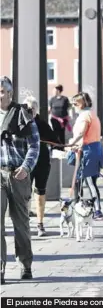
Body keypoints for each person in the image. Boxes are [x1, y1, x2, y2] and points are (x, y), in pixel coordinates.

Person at [0, 76, 40, 284]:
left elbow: (35, 145)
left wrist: (26, 167)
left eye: (1, 92)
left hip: (18, 174)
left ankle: (25, 264)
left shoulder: (22, 114)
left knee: (20, 223)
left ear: (9, 93)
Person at [24, 97, 60, 236]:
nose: (30, 111)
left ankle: (40, 224)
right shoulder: (21, 124)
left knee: (40, 193)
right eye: (27, 108)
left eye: (32, 108)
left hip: (42, 162)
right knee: (25, 194)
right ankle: (25, 223)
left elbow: (55, 140)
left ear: (36, 110)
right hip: (26, 163)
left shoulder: (42, 124)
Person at [68, 92, 103, 221]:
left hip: (87, 151)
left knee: (84, 182)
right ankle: (95, 209)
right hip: (95, 150)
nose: (73, 106)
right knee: (89, 182)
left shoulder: (84, 116)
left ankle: (91, 210)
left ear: (81, 104)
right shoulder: (93, 114)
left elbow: (82, 133)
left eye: (74, 104)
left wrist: (71, 143)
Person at [48, 84, 71, 150]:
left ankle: (61, 148)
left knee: (61, 133)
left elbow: (68, 108)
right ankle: (55, 147)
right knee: (55, 133)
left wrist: (67, 118)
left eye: (54, 90)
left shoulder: (65, 99)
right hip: (54, 119)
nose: (53, 91)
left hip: (63, 119)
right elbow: (50, 109)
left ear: (58, 90)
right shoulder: (52, 99)